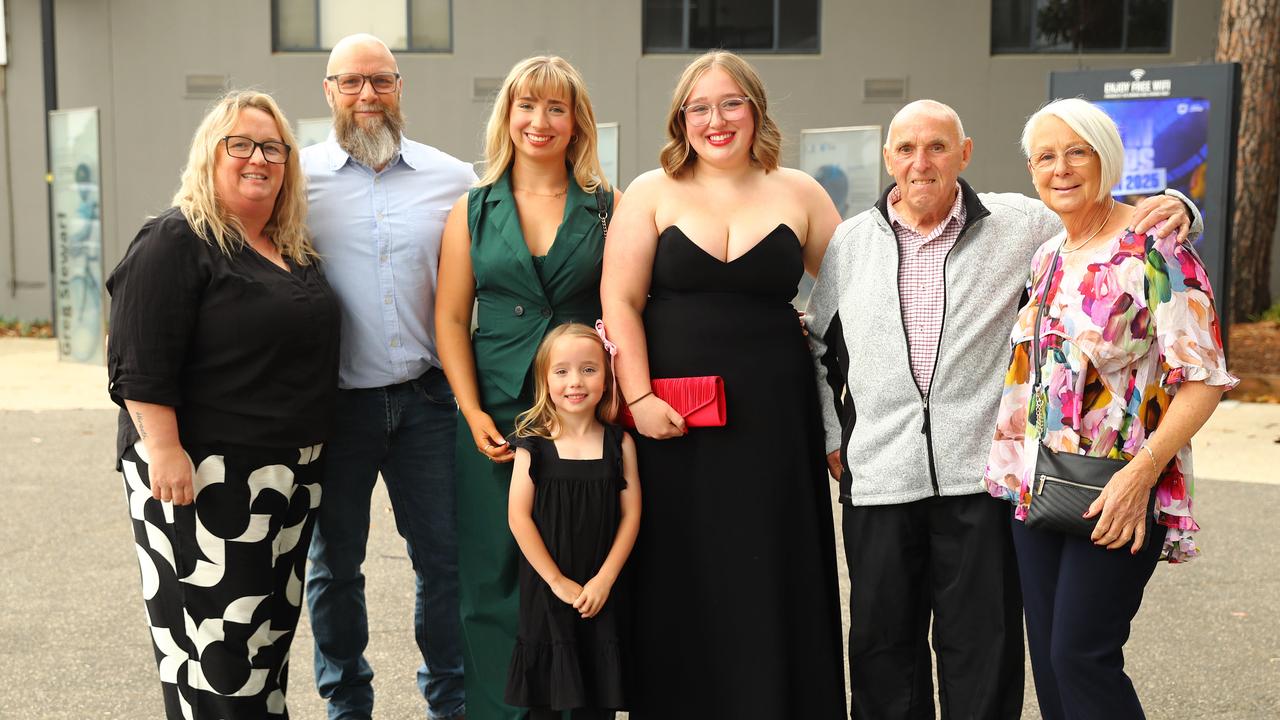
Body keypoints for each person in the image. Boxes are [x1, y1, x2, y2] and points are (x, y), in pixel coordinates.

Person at [804, 99, 1199, 719]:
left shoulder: (1021, 224)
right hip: (879, 481)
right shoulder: (852, 242)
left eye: (937, 147)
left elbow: (1102, 216)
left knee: (984, 655)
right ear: (888, 158)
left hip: (982, 482)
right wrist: (833, 434)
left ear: (965, 154)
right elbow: (818, 346)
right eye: (905, 149)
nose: (920, 163)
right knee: (884, 655)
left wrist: (1185, 208)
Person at [599, 50, 846, 718]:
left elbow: (857, 296)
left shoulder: (800, 192)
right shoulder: (651, 191)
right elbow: (619, 300)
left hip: (776, 422)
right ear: (681, 119)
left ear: (755, 110)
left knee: (772, 570)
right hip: (674, 424)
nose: (716, 119)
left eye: (731, 103)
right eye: (699, 107)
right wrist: (641, 397)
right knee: (682, 574)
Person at [983, 98, 1235, 719]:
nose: (1061, 168)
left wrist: (1138, 477)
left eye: (1078, 152)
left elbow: (1200, 381)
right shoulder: (1047, 257)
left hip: (1120, 486)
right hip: (1041, 486)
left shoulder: (1158, 250)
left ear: (1107, 160)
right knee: (1049, 660)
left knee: (1082, 656)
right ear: (1031, 170)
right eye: (1045, 156)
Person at [106, 90, 340, 718]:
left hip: (285, 480)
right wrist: (165, 450)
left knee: (264, 648)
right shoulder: (175, 239)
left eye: (272, 147)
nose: (257, 157)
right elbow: (137, 358)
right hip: (206, 480)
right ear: (211, 154)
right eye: (240, 144)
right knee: (219, 655)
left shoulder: (288, 248)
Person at [435, 55, 618, 720]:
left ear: (576, 123)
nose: (539, 122)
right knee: (492, 575)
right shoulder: (472, 211)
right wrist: (470, 407)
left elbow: (627, 308)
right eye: (526, 107)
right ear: (507, 117)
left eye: (555, 108)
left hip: (582, 412)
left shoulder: (607, 208)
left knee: (580, 565)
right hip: (497, 412)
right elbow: (452, 317)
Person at [302, 33, 474, 720]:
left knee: (444, 563)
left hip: (428, 400)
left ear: (400, 87)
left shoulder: (452, 176)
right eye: (350, 82)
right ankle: (347, 703)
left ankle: (451, 700)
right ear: (329, 91)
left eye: (380, 81)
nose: (366, 95)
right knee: (333, 568)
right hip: (335, 408)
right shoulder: (295, 178)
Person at [503, 323, 640, 720]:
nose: (575, 381)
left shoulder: (620, 443)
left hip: (601, 590)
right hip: (549, 589)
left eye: (588, 369)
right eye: (561, 371)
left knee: (597, 697)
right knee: (545, 698)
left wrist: (605, 579)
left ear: (607, 376)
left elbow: (631, 515)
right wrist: (556, 581)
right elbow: (518, 517)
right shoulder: (533, 445)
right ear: (545, 381)